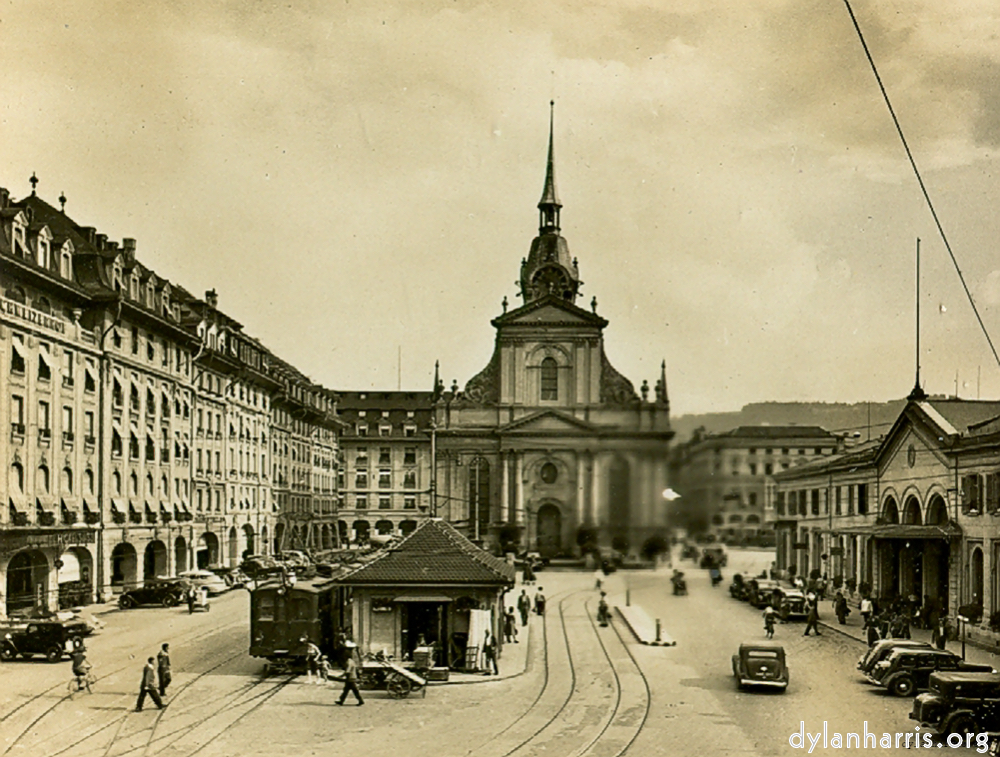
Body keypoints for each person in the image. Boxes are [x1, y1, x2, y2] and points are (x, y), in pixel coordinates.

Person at [335, 641, 364, 706]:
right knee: (346, 690)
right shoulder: (351, 661)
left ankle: (360, 700)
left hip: (351, 678)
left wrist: (341, 676)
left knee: (354, 690)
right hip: (351, 677)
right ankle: (341, 701)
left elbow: (347, 671)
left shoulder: (349, 662)